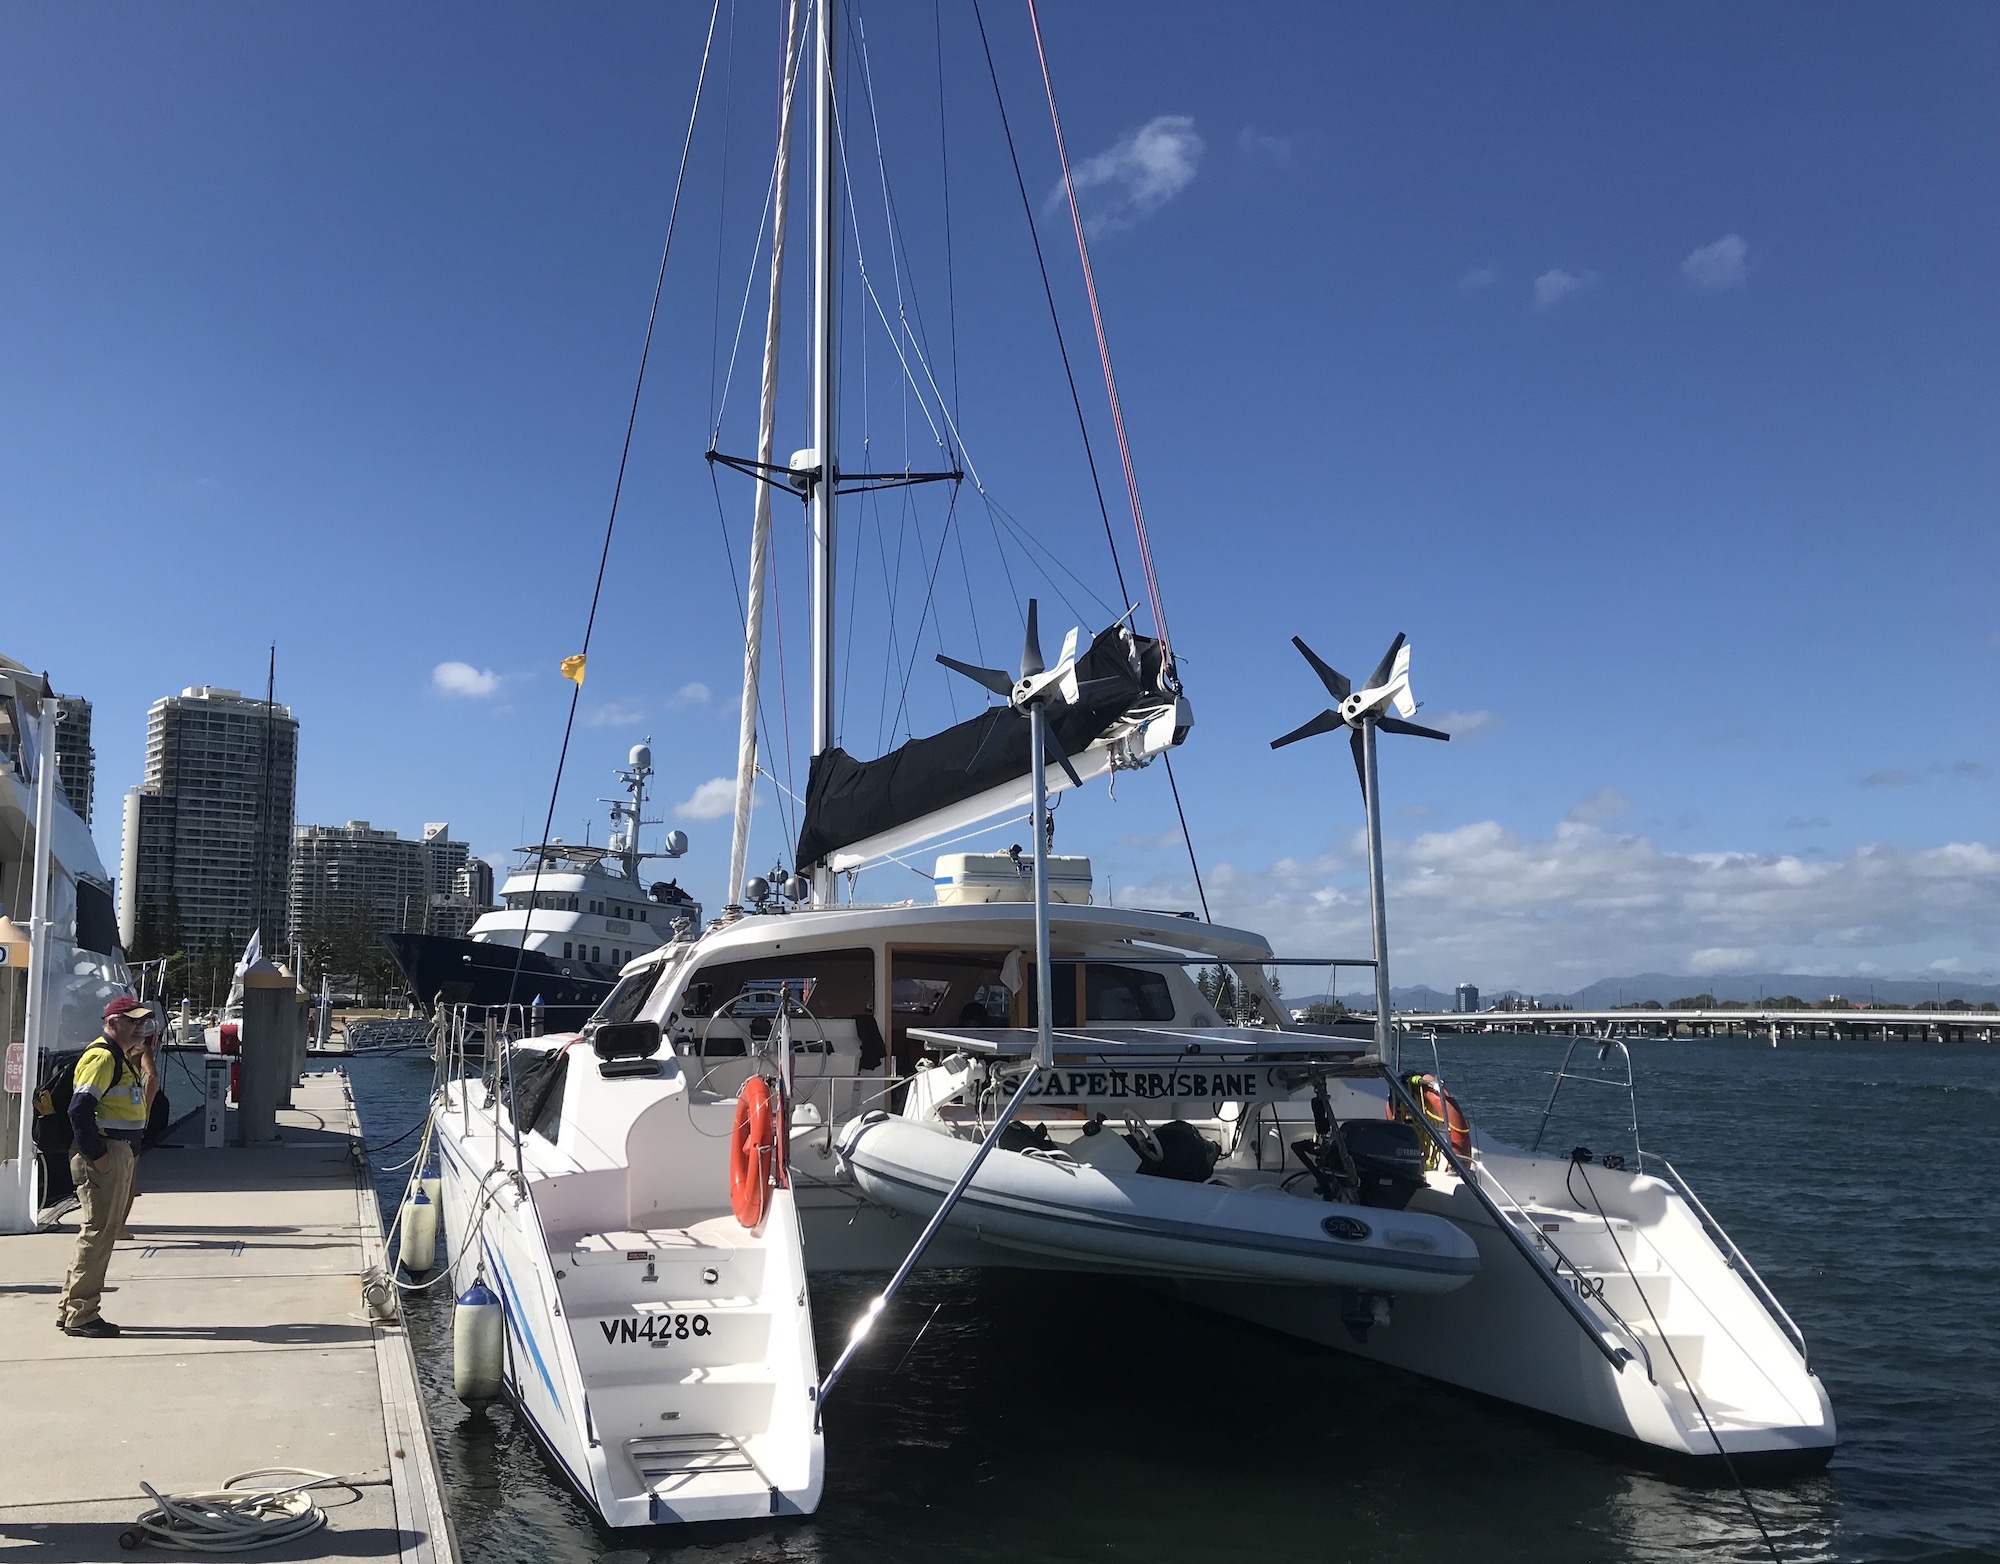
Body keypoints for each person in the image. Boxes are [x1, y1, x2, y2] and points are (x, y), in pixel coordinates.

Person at [56, 996, 152, 1338]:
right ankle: (82, 1314)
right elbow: (79, 1109)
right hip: (105, 1153)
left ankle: (71, 1307)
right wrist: (98, 1156)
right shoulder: (102, 1057)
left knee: (100, 1232)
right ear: (112, 1023)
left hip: (117, 1149)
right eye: (132, 1020)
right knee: (98, 1234)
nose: (140, 1025)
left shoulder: (119, 1057)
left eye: (142, 1020)